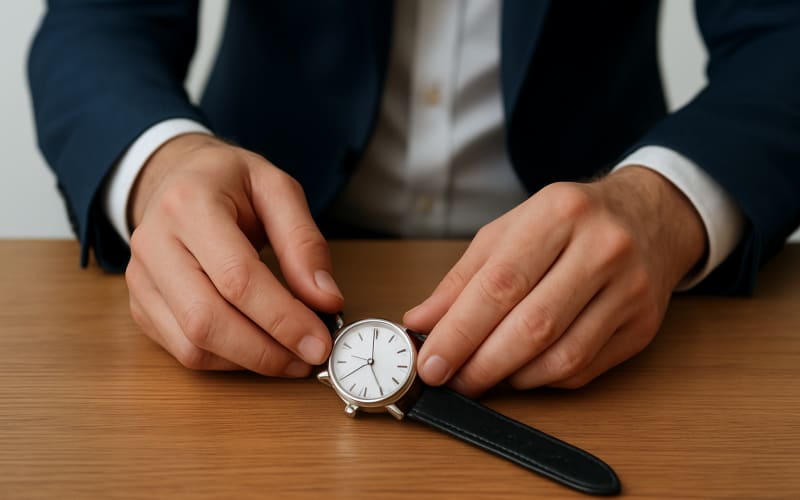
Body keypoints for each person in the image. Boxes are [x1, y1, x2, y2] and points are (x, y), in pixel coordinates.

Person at [28, 1, 800, 397]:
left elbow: (783, 37)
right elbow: (97, 22)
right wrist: (164, 162)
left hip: (603, 286)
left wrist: (661, 207)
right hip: (254, 271)